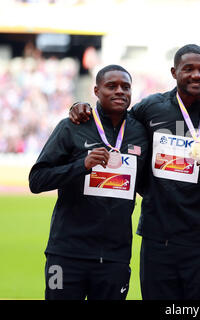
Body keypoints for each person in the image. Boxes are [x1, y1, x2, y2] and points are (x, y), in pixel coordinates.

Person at [68, 44, 200, 300]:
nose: (197, 75)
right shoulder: (151, 108)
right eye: (189, 69)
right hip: (157, 238)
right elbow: (113, 122)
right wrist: (79, 106)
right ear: (174, 72)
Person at [29, 65, 148, 300]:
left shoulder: (139, 132)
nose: (119, 91)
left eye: (126, 87)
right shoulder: (72, 126)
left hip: (114, 257)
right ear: (96, 90)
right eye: (111, 86)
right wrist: (81, 165)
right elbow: (37, 180)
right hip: (66, 254)